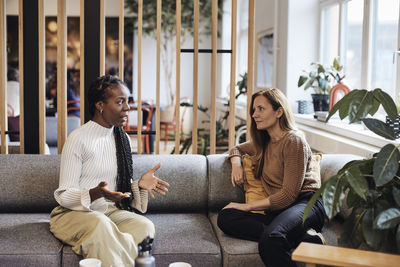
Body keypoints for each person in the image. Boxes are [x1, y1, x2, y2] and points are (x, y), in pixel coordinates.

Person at [49, 75, 170, 267]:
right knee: (100, 224)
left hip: (111, 210)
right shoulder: (78, 139)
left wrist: (139, 185)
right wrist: (95, 193)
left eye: (127, 101)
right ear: (100, 105)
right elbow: (63, 195)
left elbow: (121, 189)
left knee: (144, 226)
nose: (128, 107)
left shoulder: (123, 140)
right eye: (120, 101)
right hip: (73, 213)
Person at [217, 88, 325, 267]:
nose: (254, 115)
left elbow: (288, 195)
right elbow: (236, 149)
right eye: (253, 110)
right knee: (225, 216)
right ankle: (302, 237)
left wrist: (246, 206)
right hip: (280, 211)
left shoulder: (294, 141)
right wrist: (236, 165)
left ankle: (288, 233)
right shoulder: (264, 142)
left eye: (261, 109)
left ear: (279, 111)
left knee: (271, 239)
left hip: (305, 205)